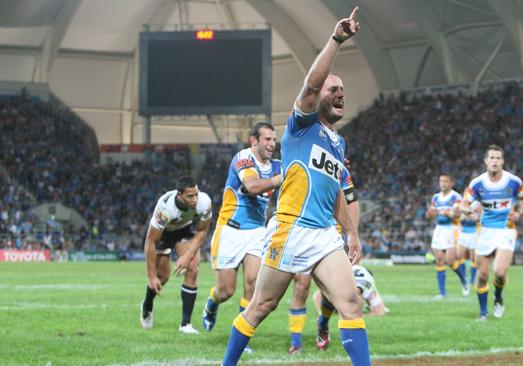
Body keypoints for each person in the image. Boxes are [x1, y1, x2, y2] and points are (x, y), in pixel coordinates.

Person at [221, 7, 370, 366]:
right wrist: (336, 40)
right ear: (318, 97)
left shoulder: (338, 143)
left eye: (343, 91)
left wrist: (351, 234)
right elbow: (311, 85)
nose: (340, 94)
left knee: (351, 302)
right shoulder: (300, 127)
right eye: (333, 89)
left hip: (323, 235)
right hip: (290, 229)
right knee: (261, 307)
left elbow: (335, 192)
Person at [201, 122, 282, 333]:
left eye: (274, 139)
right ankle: (212, 303)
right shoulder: (243, 158)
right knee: (225, 290)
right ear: (254, 140)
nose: (272, 144)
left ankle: (241, 333)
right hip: (230, 230)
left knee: (252, 283)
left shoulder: (277, 166)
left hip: (256, 231)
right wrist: (280, 179)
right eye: (267, 139)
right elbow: (252, 186)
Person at [287, 165, 359, 355]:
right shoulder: (303, 158)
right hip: (303, 231)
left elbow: (351, 200)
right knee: (301, 287)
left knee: (336, 292)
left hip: (330, 234)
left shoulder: (338, 167)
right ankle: (296, 342)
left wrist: (353, 234)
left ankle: (323, 324)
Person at [461, 145, 523, 320]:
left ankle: (498, 296)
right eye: (491, 158)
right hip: (485, 232)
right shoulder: (477, 184)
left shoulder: (513, 181)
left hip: (506, 231)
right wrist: (470, 211)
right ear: (485, 161)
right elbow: (463, 204)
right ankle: (483, 313)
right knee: (483, 275)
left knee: (499, 272)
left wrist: (520, 212)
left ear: (503, 161)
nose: (495, 161)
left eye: (498, 158)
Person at [140, 176, 212, 334]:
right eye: (190, 196)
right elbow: (150, 242)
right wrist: (151, 276)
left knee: (193, 268)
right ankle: (147, 305)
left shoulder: (204, 202)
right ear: (179, 195)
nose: (195, 199)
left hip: (183, 230)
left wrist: (187, 256)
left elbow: (202, 231)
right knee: (162, 277)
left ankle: (185, 324)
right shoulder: (165, 209)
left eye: (196, 194)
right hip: (163, 233)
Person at [426, 174, 469, 298]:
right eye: (441, 181)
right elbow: (430, 213)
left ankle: (464, 280)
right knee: (439, 260)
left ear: (451, 183)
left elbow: (455, 214)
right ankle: (442, 293)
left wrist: (440, 211)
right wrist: (430, 213)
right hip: (439, 229)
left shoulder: (456, 196)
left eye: (445, 181)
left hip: (452, 229)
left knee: (450, 261)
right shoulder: (435, 197)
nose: (443, 183)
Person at [458, 188, 480, 286]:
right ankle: (463, 278)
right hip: (463, 233)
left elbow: (477, 218)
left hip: (473, 233)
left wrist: (468, 214)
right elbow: (458, 218)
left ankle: (472, 279)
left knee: (473, 258)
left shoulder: (476, 204)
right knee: (459, 256)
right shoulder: (460, 204)